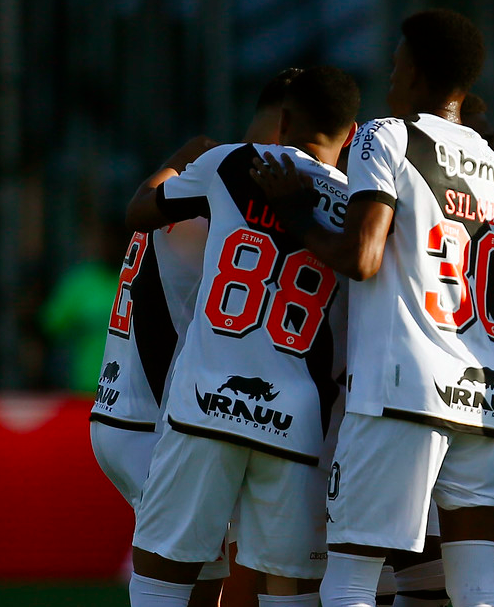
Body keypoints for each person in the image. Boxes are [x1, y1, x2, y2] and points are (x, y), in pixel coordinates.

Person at [251, 10, 494, 607]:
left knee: (351, 578)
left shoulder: (386, 135)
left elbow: (364, 255)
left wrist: (295, 213)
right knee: (476, 588)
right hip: (483, 398)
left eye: (396, 66)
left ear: (416, 73)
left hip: (401, 392)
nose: (389, 78)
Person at [123, 65, 360, 607]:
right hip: (298, 416)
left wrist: (175, 164)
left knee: (161, 577)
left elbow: (140, 212)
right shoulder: (355, 207)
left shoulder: (231, 162)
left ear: (284, 119)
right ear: (350, 133)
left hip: (205, 399)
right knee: (290, 589)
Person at [90, 66, 305, 607]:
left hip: (123, 407)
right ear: (288, 125)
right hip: (155, 416)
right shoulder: (237, 183)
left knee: (201, 578)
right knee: (177, 583)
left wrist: (173, 161)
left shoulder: (194, 174)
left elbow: (143, 205)